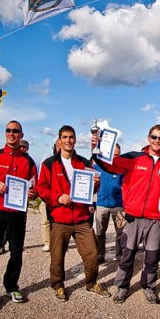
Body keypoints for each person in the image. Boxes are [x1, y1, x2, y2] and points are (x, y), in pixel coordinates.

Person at [92, 125, 160, 305]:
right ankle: (122, 286)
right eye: (154, 137)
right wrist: (97, 150)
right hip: (132, 217)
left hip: (155, 220)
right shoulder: (133, 158)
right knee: (127, 255)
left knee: (152, 257)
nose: (157, 141)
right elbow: (110, 166)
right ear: (148, 138)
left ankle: (148, 286)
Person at [37, 125, 109, 302]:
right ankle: (58, 285)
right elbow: (41, 188)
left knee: (92, 254)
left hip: (81, 218)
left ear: (75, 140)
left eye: (71, 137)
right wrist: (57, 197)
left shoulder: (84, 162)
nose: (68, 140)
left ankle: (91, 283)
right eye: (65, 137)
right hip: (59, 218)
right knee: (57, 256)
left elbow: (91, 189)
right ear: (59, 140)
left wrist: (96, 183)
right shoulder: (50, 163)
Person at [0, 120, 37, 310]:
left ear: (21, 135)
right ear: (5, 134)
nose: (11, 133)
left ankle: (11, 286)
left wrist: (32, 193)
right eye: (8, 130)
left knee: (16, 253)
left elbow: (34, 185)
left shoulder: (28, 161)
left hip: (18, 215)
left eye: (15, 131)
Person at [93, 143, 124, 264]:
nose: (115, 157)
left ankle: (120, 255)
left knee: (121, 232)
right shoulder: (97, 168)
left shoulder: (122, 169)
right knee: (100, 232)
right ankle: (100, 254)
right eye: (113, 154)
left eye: (117, 155)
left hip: (119, 205)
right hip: (101, 204)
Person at [37, 138, 59, 253]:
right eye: (58, 143)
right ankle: (47, 242)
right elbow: (41, 177)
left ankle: (57, 243)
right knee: (46, 220)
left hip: (61, 195)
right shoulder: (47, 158)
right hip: (48, 194)